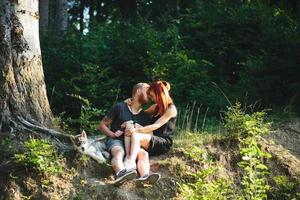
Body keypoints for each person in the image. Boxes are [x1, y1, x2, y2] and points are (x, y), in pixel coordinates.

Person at [98, 83, 152, 185]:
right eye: (147, 92)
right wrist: (112, 134)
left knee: (144, 154)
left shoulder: (145, 116)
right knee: (119, 152)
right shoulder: (120, 107)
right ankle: (120, 174)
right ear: (138, 91)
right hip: (116, 141)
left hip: (134, 144)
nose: (149, 95)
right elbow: (102, 125)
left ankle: (145, 178)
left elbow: (149, 133)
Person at [123, 80, 177, 181]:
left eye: (152, 96)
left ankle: (130, 161)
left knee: (135, 133)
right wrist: (131, 101)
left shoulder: (171, 109)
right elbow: (139, 114)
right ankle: (138, 169)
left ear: (159, 94)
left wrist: (136, 130)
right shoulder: (155, 107)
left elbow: (156, 125)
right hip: (150, 138)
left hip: (162, 142)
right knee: (130, 124)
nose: (151, 99)